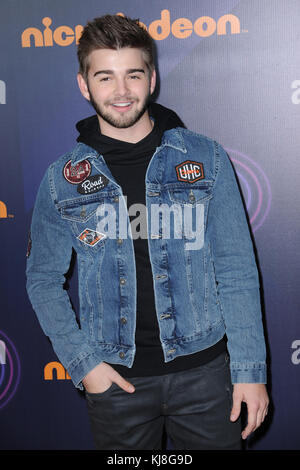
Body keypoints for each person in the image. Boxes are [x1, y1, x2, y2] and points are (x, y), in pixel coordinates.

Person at [26, 14, 269, 450]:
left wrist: (249, 372)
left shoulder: (206, 157)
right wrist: (85, 366)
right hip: (115, 383)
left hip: (206, 378)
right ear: (84, 85)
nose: (121, 92)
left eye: (132, 75)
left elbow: (236, 270)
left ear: (151, 79)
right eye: (105, 77)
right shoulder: (61, 178)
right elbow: (42, 280)